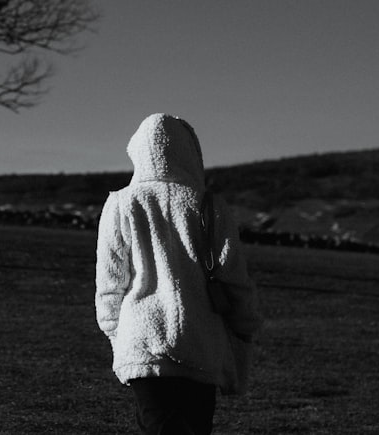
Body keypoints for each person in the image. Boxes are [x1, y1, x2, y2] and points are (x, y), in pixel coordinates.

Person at [95, 114, 262, 434]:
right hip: (202, 344)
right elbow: (234, 278)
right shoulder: (209, 205)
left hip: (142, 342)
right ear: (191, 152)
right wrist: (246, 327)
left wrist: (118, 335)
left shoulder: (120, 204)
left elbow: (110, 284)